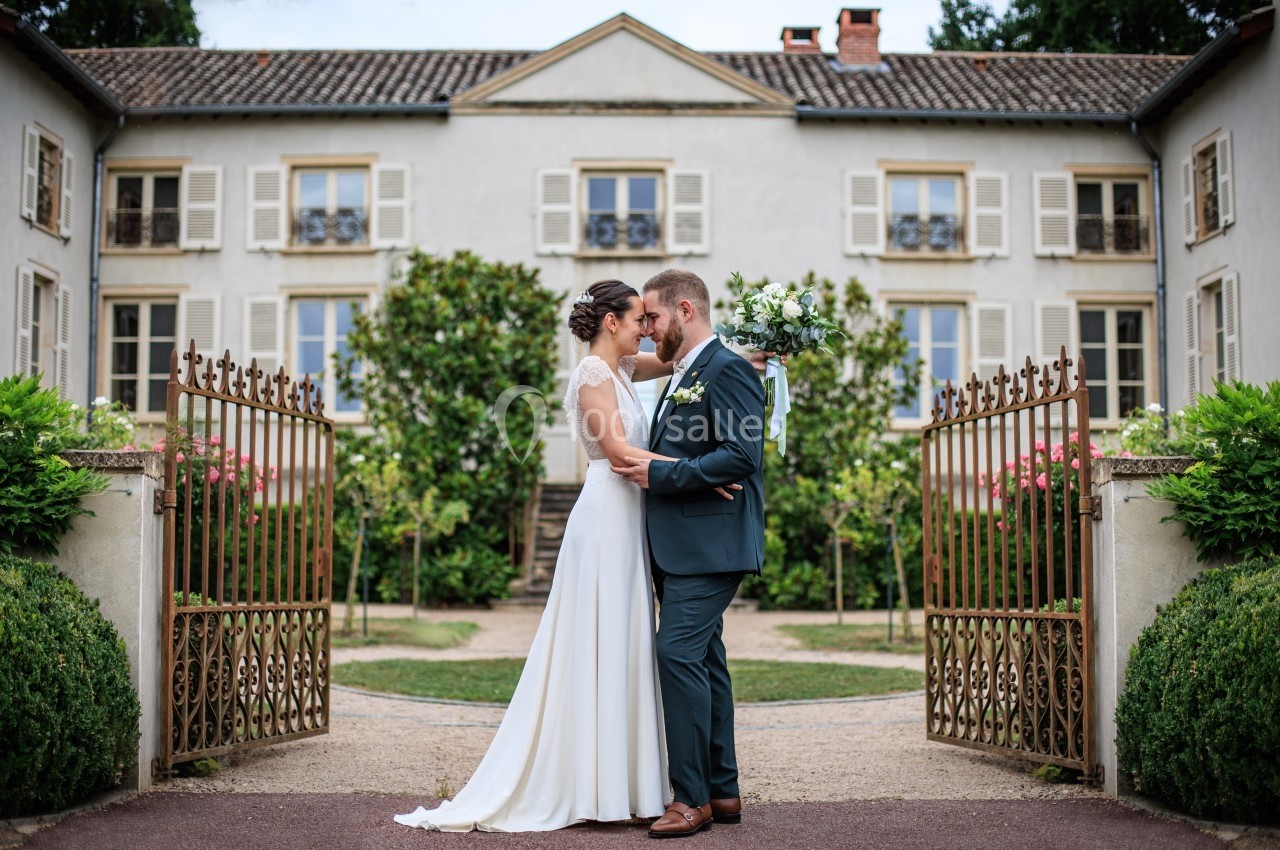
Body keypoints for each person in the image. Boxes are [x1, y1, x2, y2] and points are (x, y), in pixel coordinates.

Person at [394, 279, 737, 833]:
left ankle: (626, 784)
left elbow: (687, 359)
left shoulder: (625, 368)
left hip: (632, 520)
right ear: (611, 322)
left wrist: (756, 354)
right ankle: (592, 785)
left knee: (626, 646)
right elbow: (618, 452)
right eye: (638, 320)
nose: (646, 330)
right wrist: (697, 474)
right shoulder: (594, 374)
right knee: (600, 642)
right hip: (605, 520)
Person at [612, 269, 767, 839]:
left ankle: (691, 799)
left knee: (675, 653)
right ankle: (723, 792)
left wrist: (669, 474)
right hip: (683, 545)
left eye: (652, 316)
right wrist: (685, 469)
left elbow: (743, 454)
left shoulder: (726, 368)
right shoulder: (686, 371)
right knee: (705, 662)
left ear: (684, 310)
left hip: (712, 545)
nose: (648, 328)